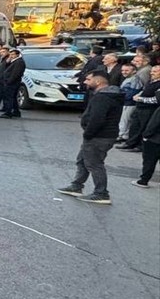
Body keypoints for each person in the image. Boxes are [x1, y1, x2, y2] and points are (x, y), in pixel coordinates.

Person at [57, 70, 124, 205]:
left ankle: (101, 193)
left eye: (88, 80)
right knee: (82, 160)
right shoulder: (105, 95)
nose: (85, 82)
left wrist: (88, 133)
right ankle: (76, 185)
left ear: (98, 81)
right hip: (99, 135)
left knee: (94, 164)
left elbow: (97, 118)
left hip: (99, 136)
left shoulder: (103, 97)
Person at [118, 67, 160, 152]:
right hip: (139, 107)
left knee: (142, 128)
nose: (152, 73)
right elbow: (143, 90)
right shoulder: (150, 81)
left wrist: (140, 99)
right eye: (151, 71)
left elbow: (156, 100)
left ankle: (139, 146)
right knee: (134, 126)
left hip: (149, 109)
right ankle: (130, 144)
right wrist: (138, 95)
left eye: (155, 71)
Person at [134, 105, 160, 188]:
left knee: (149, 161)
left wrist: (146, 135)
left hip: (155, 138)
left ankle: (144, 180)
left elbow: (154, 124)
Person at [0, 49, 26, 118]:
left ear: (17, 55)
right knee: (12, 98)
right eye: (10, 54)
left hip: (12, 83)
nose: (11, 56)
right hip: (11, 82)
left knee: (9, 98)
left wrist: (8, 82)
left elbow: (15, 74)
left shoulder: (19, 62)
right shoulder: (15, 61)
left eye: (13, 54)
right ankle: (16, 112)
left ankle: (8, 113)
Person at [118, 62, 142, 143]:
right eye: (122, 70)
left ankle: (123, 136)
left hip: (130, 103)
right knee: (124, 119)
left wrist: (121, 98)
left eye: (126, 70)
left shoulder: (134, 79)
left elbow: (133, 92)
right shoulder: (128, 79)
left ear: (134, 71)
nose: (124, 72)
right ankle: (122, 135)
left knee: (126, 120)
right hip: (125, 102)